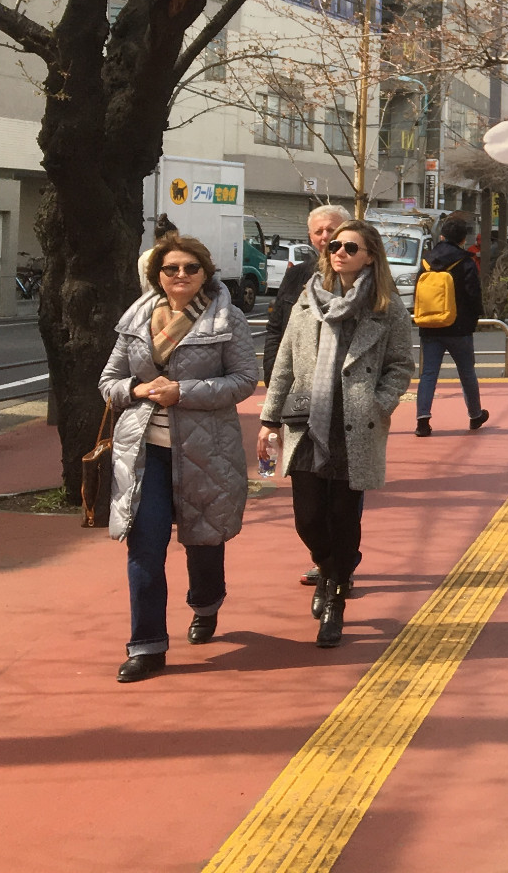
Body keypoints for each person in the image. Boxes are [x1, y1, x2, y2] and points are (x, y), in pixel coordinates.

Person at [100, 232, 258, 683]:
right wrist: (136, 389)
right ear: (158, 276)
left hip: (207, 450)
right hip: (144, 453)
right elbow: (109, 380)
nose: (181, 276)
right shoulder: (135, 319)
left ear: (206, 273)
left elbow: (245, 379)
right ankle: (146, 645)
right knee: (144, 547)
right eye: (171, 269)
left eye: (191, 268)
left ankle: (206, 603)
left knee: (203, 542)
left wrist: (182, 392)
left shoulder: (228, 319)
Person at [257, 220, 417, 648]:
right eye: (334, 246)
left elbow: (401, 364)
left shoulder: (386, 307)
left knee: (344, 518)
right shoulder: (308, 302)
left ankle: (337, 602)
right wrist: (268, 419)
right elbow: (286, 364)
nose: (338, 252)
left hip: (356, 426)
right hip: (307, 423)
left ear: (370, 256)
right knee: (309, 519)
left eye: (350, 246)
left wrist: (380, 402)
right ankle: (330, 570)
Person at [413, 215, 490, 437]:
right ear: (463, 239)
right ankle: (475, 415)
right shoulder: (465, 261)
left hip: (430, 326)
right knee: (467, 372)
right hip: (459, 327)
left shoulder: (427, 260)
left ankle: (423, 421)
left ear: (442, 236)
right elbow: (474, 294)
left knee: (428, 373)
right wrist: (475, 318)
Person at [264, 204, 353, 375]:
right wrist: (272, 373)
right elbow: (276, 328)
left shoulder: (368, 278)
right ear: (311, 237)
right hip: (298, 379)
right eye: (318, 232)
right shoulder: (296, 275)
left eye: (331, 230)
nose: (325, 236)